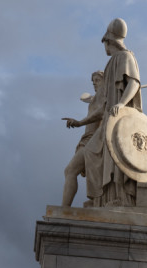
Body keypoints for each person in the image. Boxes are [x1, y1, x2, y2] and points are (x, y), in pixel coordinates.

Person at [82, 18, 143, 207]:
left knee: (117, 159)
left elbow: (134, 83)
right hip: (109, 116)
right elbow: (104, 102)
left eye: (105, 43)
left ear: (109, 40)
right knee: (93, 153)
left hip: (120, 118)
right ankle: (102, 198)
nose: (104, 48)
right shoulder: (112, 64)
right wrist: (80, 122)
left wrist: (122, 103)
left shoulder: (125, 57)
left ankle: (120, 198)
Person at [60, 71, 105, 207]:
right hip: (88, 139)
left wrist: (79, 122)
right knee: (87, 173)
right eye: (93, 81)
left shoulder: (106, 95)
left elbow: (101, 112)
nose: (94, 83)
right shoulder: (97, 98)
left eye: (97, 80)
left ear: (105, 81)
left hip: (94, 140)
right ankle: (96, 200)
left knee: (70, 170)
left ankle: (64, 209)